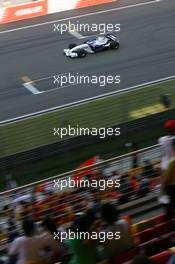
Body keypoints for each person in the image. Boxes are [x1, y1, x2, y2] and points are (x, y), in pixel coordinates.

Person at [162, 138, 175, 220]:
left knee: (168, 211)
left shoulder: (172, 162)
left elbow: (166, 180)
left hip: (172, 190)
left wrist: (163, 188)